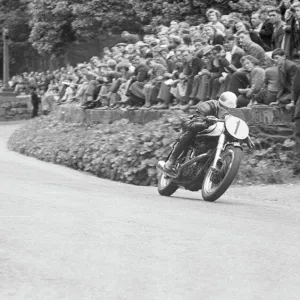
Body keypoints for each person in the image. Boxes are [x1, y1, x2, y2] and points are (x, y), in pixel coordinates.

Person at [163, 91, 238, 177]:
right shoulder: (207, 106)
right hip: (198, 126)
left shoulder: (231, 115)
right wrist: (205, 124)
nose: (227, 111)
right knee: (190, 132)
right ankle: (171, 161)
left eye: (230, 109)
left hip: (216, 133)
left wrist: (244, 135)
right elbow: (194, 123)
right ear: (219, 105)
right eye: (225, 108)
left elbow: (237, 126)